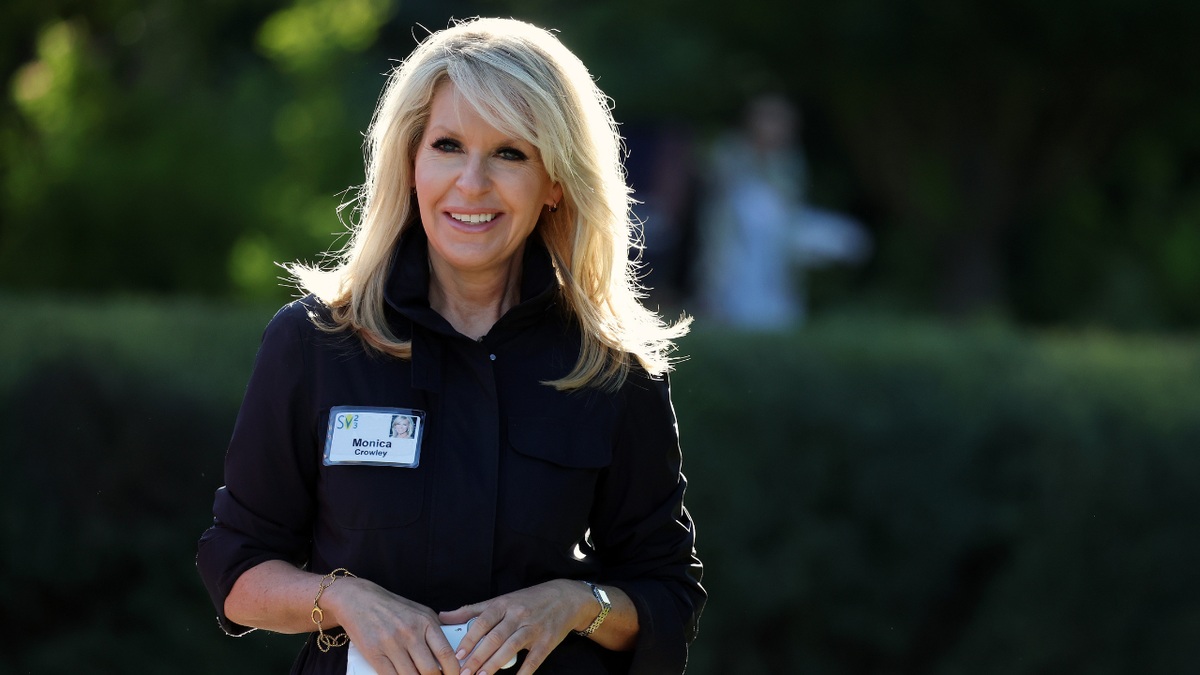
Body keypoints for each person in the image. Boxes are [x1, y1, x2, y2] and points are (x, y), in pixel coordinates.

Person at [196, 18, 704, 675]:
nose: (471, 182)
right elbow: (235, 570)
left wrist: (575, 602)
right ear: (409, 163)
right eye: (447, 145)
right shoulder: (314, 342)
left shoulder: (609, 365)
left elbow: (668, 592)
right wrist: (344, 599)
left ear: (555, 181)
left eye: (510, 153)